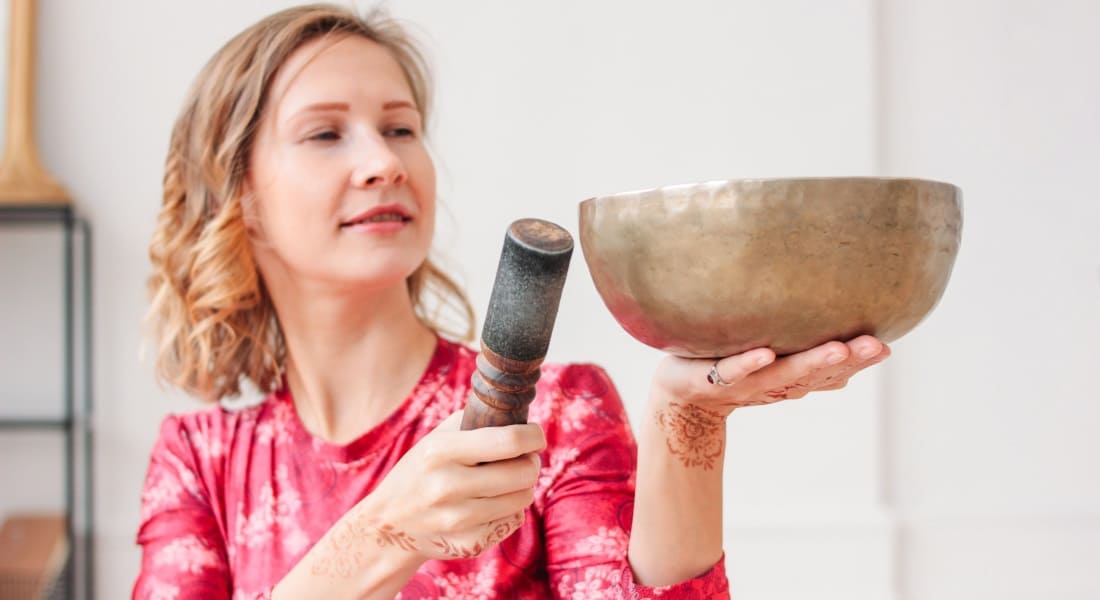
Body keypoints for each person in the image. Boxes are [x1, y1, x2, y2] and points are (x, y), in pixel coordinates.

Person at [134, 4, 890, 599]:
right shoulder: (199, 462)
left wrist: (687, 420)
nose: (384, 162)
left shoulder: (559, 414)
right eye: (326, 133)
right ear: (240, 198)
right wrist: (383, 534)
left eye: (401, 128)